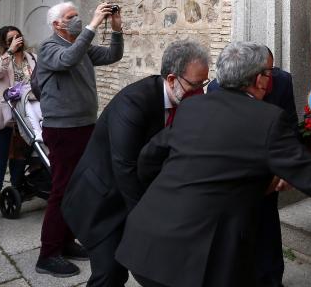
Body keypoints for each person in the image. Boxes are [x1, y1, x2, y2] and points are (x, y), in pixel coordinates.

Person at [116, 41, 311, 287]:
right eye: (268, 74)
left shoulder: (191, 106)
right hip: (196, 261)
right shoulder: (267, 119)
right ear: (259, 80)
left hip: (145, 245)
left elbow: (148, 158)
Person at [63, 39, 210, 287]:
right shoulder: (133, 102)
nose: (200, 93)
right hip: (101, 202)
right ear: (172, 79)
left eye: (204, 84)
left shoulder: (183, 102)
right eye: (195, 85)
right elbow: (125, 168)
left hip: (134, 198)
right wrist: (147, 224)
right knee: (110, 273)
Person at [34, 1, 124, 277]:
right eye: (70, 17)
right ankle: (48, 254)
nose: (77, 20)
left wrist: (117, 30)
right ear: (56, 24)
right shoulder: (50, 48)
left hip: (85, 125)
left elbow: (112, 55)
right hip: (62, 129)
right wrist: (93, 25)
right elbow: (68, 59)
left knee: (77, 188)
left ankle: (66, 241)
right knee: (61, 189)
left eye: (78, 16)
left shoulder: (80, 46)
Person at [207, 46, 296, 287]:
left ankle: (272, 280)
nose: (270, 78)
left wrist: (283, 169)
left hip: (269, 169)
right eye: (266, 72)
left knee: (267, 228)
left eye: (272, 69)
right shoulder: (217, 88)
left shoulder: (283, 81)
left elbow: (290, 126)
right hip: (236, 173)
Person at [0, 25, 36, 208]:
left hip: (26, 112)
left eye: (18, 37)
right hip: (2, 112)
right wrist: (10, 52)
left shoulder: (31, 57)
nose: (17, 41)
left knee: (20, 153)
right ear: (3, 42)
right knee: (0, 153)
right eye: (11, 39)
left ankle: (16, 188)